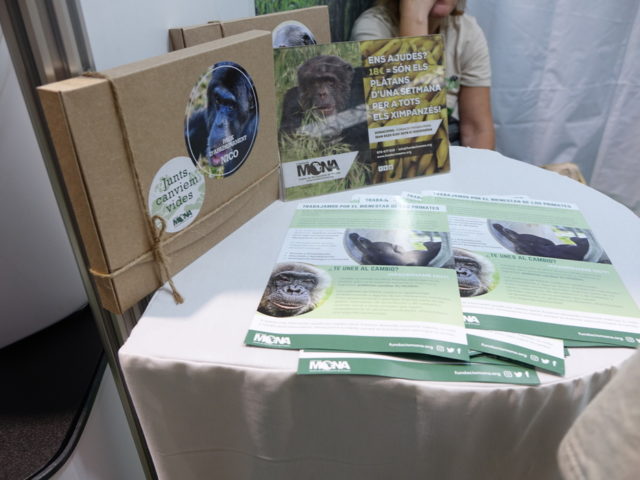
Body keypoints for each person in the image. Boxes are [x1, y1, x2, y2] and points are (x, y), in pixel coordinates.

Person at [351, 0, 495, 149]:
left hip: (448, 136)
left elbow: (476, 130)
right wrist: (415, 17)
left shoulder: (466, 30)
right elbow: (412, 136)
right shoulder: (373, 29)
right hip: (399, 147)